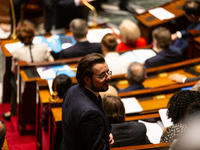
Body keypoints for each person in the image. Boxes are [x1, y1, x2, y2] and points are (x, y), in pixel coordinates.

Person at [60, 53, 114, 150]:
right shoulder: (90, 114)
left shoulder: (72, 90)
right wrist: (105, 145)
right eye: (102, 75)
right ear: (87, 80)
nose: (108, 78)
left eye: (107, 72)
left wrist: (107, 133)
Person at [2, 22, 54, 121]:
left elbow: (14, 70)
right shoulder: (43, 46)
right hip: (42, 78)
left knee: (13, 80)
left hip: (25, 81)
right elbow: (51, 62)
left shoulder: (16, 52)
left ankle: (13, 111)